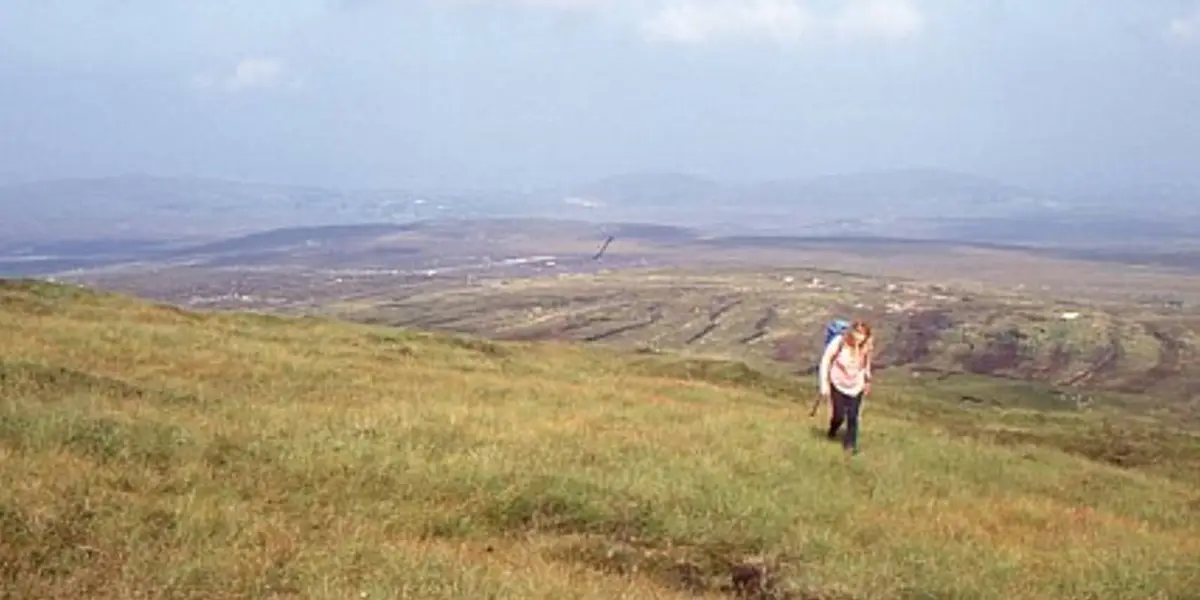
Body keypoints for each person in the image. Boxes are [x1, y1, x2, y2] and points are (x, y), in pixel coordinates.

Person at [814, 320, 873, 455]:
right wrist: (824, 385)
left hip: (856, 385)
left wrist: (867, 381)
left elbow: (866, 365)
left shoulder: (866, 347)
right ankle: (833, 430)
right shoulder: (839, 343)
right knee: (839, 415)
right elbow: (826, 361)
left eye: (863, 334)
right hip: (838, 383)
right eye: (857, 332)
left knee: (853, 416)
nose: (859, 337)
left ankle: (850, 446)